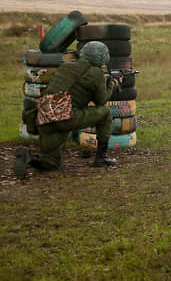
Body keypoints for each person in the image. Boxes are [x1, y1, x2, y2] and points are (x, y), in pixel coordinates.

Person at [15, 41, 119, 179]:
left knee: (51, 163)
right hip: (66, 117)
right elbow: (101, 100)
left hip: (45, 116)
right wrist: (112, 84)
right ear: (101, 56)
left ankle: (28, 158)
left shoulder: (66, 67)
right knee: (105, 113)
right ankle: (101, 157)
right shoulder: (96, 72)